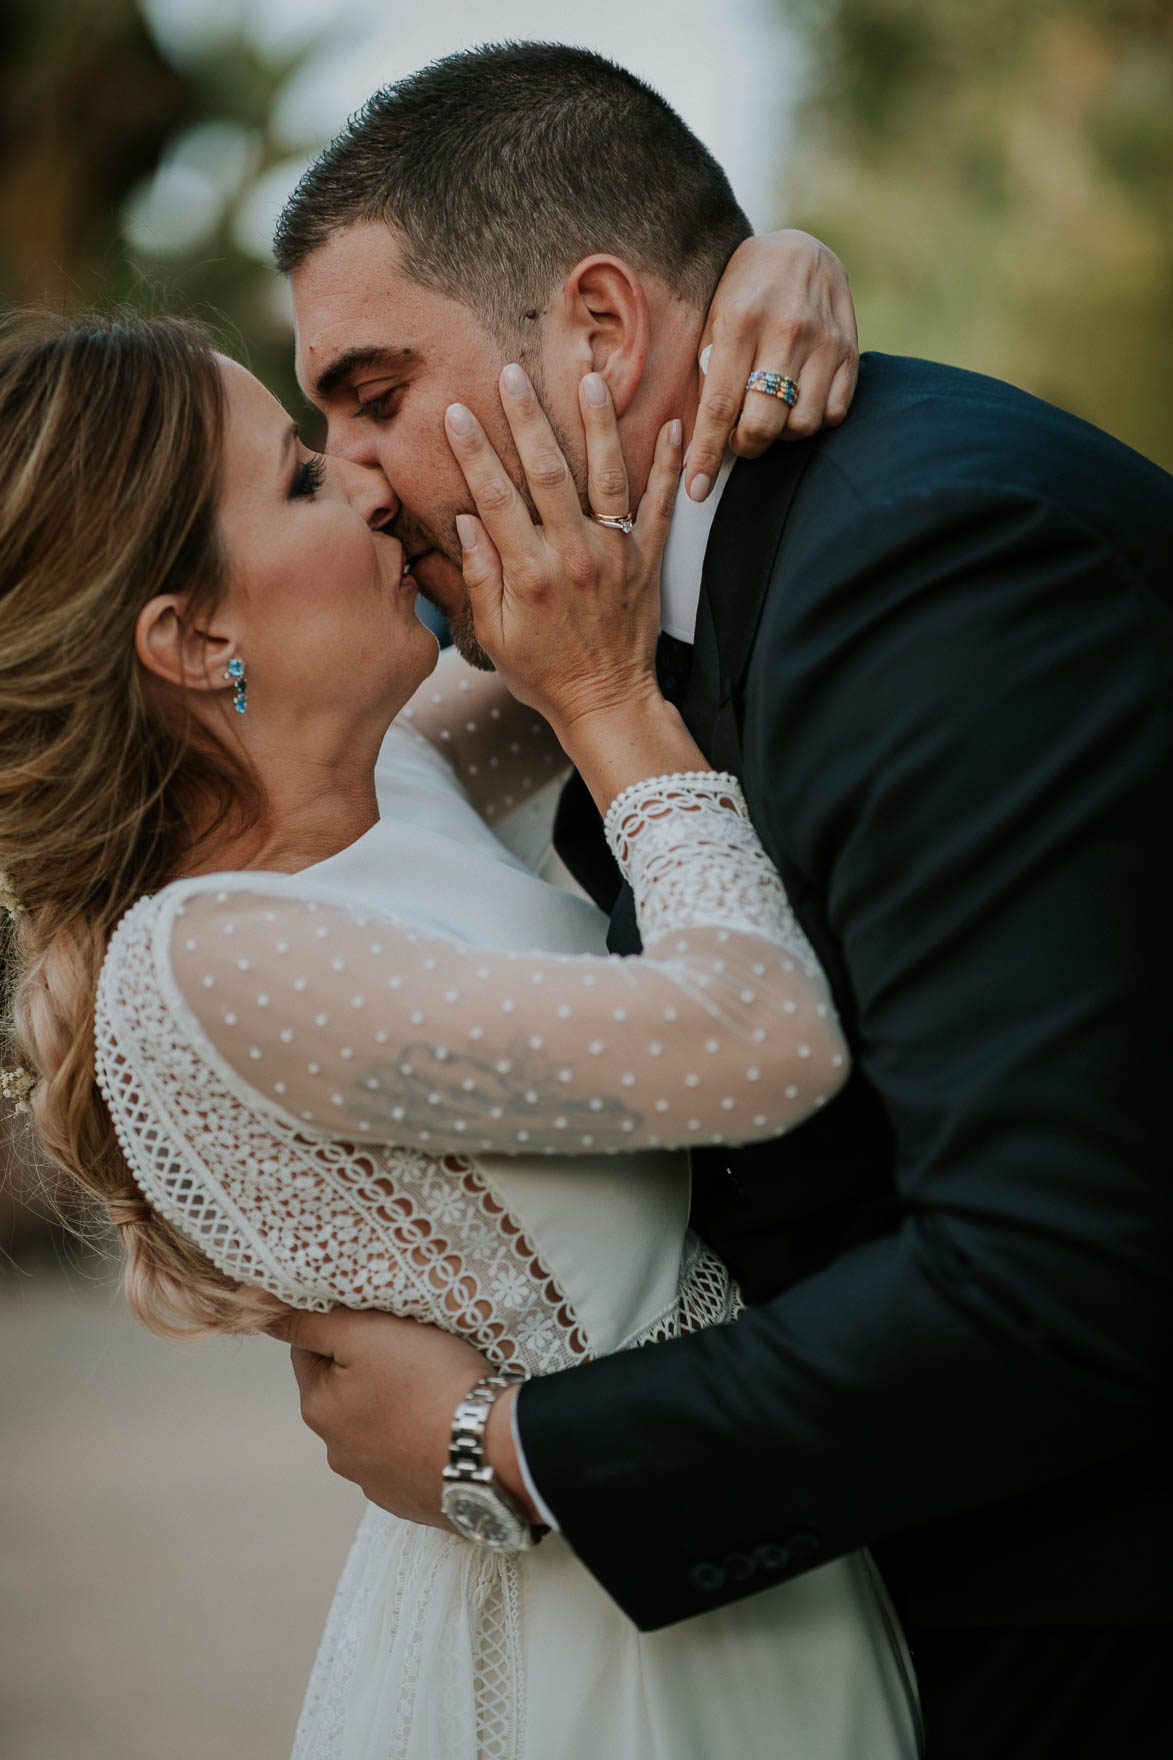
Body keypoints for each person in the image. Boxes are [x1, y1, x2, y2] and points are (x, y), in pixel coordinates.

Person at [267, 43, 1173, 1759]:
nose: (362, 480)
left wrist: (506, 1450)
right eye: (314, 438)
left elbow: (1050, 1277)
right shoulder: (608, 618)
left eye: (373, 394)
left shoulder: (938, 567)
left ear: (599, 332)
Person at [0, 264, 919, 1755]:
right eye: (299, 478)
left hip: (720, 1554)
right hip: (607, 1659)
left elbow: (600, 556)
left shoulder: (390, 776)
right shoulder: (216, 959)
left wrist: (765, 280)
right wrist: (615, 712)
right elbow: (764, 1046)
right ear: (184, 640)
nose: (367, 486)